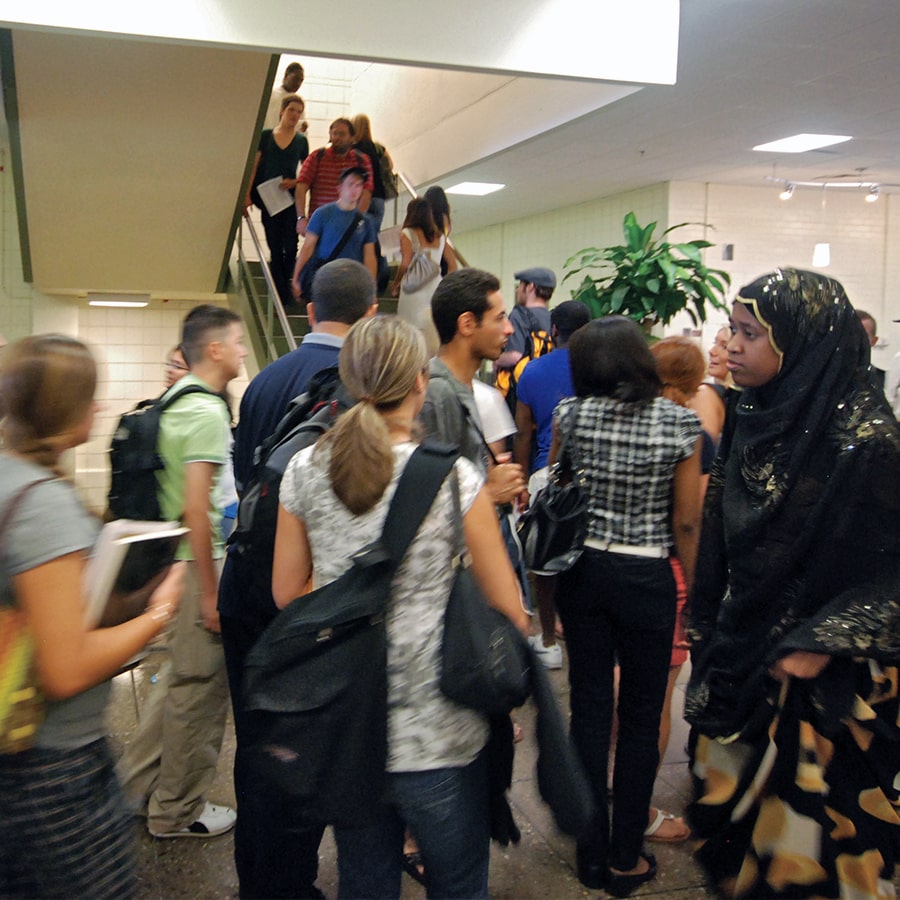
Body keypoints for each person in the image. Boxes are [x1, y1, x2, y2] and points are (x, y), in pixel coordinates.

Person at [272, 315, 529, 900]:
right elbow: (507, 609)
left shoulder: (306, 470)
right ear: (421, 382)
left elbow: (287, 594)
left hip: (350, 725)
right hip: (438, 730)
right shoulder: (454, 477)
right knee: (459, 879)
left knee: (364, 879)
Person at [685, 268, 900, 899]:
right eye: (734, 328)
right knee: (733, 832)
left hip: (828, 684)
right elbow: (725, 529)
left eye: (751, 333)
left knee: (817, 852)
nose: (732, 345)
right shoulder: (755, 412)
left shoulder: (868, 442)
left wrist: (823, 639)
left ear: (802, 343)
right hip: (745, 651)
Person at [0, 334, 183, 898]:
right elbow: (66, 668)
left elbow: (53, 612)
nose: (100, 408)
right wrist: (158, 612)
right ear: (64, 408)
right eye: (91, 397)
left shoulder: (15, 479)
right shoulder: (44, 506)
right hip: (51, 765)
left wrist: (128, 591)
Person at [219, 260, 376, 900]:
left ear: (309, 310)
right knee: (298, 743)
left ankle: (257, 879)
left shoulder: (264, 381)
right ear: (370, 315)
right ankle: (289, 885)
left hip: (246, 580)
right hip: (304, 597)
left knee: (256, 739)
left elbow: (244, 476)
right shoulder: (359, 387)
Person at [552, 316, 702, 896]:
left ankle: (588, 854)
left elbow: (562, 491)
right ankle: (624, 857)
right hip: (646, 575)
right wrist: (693, 592)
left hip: (584, 570)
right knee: (642, 716)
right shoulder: (680, 424)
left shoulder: (571, 414)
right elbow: (685, 520)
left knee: (589, 708)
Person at [116, 305, 247, 840]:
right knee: (198, 693)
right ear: (213, 348)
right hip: (198, 565)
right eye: (237, 341)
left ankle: (130, 787)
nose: (241, 350)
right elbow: (199, 509)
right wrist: (213, 595)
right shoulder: (207, 412)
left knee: (177, 681)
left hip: (174, 561)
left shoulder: (174, 400)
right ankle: (176, 811)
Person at [513, 300, 590, 669]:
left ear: (553, 330)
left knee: (541, 559)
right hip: (589, 474)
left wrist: (522, 475)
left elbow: (523, 432)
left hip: (548, 470)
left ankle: (546, 639)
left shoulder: (531, 371)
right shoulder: (599, 368)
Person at [246, 94, 309, 305]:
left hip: (289, 198)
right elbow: (254, 167)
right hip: (267, 197)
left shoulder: (301, 140)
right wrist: (246, 195)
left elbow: (308, 173)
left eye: (299, 112)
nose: (295, 115)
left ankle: (286, 288)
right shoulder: (265, 136)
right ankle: (282, 294)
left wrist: (294, 182)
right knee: (275, 245)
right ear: (282, 111)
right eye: (292, 110)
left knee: (291, 246)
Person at [292, 167, 377, 300]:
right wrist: (297, 276)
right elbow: (308, 247)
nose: (355, 189)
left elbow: (369, 256)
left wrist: (372, 288)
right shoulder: (323, 214)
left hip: (353, 279)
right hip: (326, 277)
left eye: (359, 185)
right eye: (350, 184)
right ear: (340, 188)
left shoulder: (366, 221)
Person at [391, 198, 458, 357]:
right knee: (431, 328)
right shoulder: (441, 236)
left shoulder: (407, 233)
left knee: (409, 330)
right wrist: (443, 285)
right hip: (435, 288)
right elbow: (453, 266)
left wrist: (396, 283)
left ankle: (411, 362)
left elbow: (405, 264)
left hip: (413, 290)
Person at [295, 118, 374, 235]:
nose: (337, 138)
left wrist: (358, 220)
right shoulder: (316, 157)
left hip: (348, 224)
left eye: (342, 134)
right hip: (320, 225)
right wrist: (301, 218)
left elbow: (366, 192)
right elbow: (301, 187)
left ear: (352, 137)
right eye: (334, 134)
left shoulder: (362, 160)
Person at [351, 113, 393, 235]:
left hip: (361, 197)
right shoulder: (378, 148)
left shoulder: (352, 150)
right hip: (379, 197)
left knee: (358, 235)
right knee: (374, 235)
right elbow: (390, 165)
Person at [263, 61, 306, 131]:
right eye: (295, 78)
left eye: (301, 80)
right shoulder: (271, 96)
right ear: (286, 76)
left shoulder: (298, 102)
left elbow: (300, 127)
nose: (298, 83)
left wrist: (302, 126)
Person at [423, 186, 454, 276]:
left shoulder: (427, 218)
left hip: (432, 253)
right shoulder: (446, 218)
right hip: (442, 254)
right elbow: (446, 233)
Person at [856, 308, 886, 393]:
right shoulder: (824, 379)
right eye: (851, 334)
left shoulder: (884, 381)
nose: (856, 339)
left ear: (874, 341)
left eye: (863, 335)